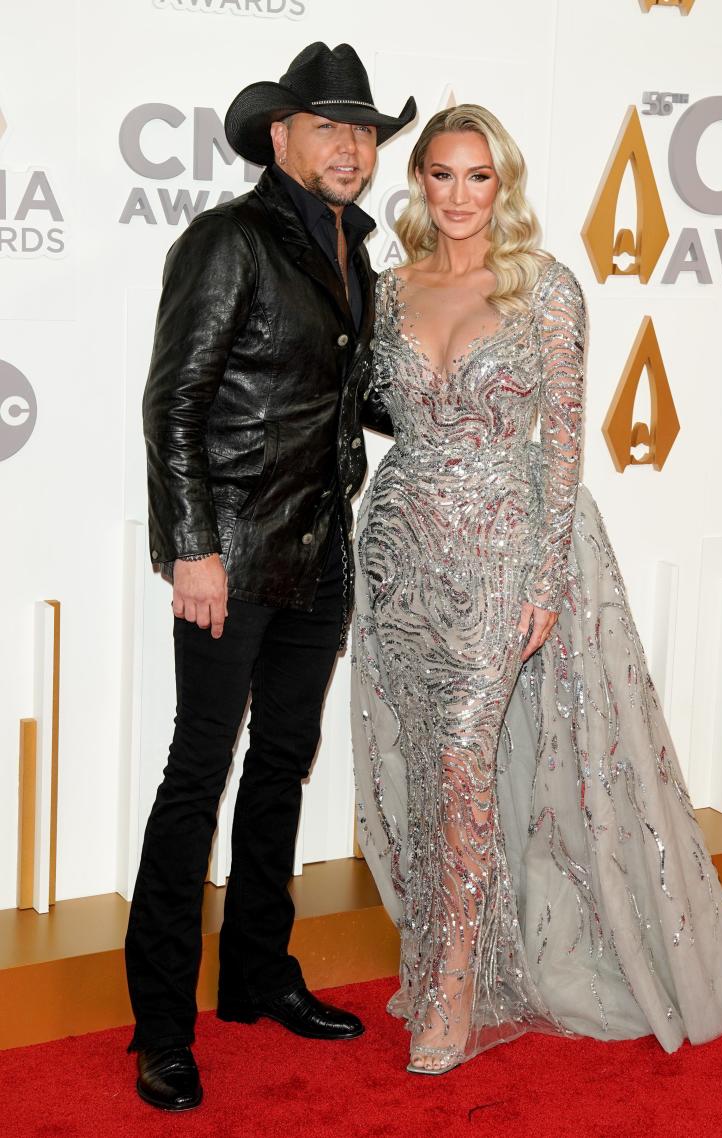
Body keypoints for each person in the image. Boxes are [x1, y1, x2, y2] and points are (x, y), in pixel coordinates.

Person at [351, 104, 722, 1076]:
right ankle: (440, 951)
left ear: (503, 185)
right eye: (442, 175)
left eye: (479, 177)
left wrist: (547, 573)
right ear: (417, 183)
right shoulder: (384, 293)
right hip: (400, 550)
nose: (460, 195)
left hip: (505, 549)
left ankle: (455, 991)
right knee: (423, 766)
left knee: (464, 761)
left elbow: (564, 444)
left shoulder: (547, 290)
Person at [126, 43, 412, 1111]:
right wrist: (191, 547)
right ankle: (161, 1024)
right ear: (280, 137)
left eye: (366, 130)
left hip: (320, 553)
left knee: (283, 764)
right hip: (232, 555)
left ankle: (255, 972)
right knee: (197, 774)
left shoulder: (356, 253)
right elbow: (173, 403)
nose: (352, 145)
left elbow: (368, 403)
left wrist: (473, 362)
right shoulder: (228, 240)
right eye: (329, 126)